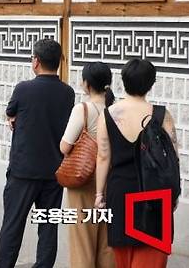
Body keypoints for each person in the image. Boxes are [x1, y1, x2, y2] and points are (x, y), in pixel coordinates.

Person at [0, 39, 75, 268]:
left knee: (13, 225)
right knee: (49, 226)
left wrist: (16, 120)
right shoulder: (67, 93)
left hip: (23, 170)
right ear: (59, 62)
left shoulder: (23, 88)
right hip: (54, 171)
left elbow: (11, 113)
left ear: (36, 61)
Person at [95, 59, 179, 268]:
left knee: (123, 260)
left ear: (123, 81)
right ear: (151, 83)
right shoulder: (162, 115)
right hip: (156, 196)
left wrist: (99, 195)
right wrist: (174, 195)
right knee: (152, 259)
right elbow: (173, 160)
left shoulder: (109, 115)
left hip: (120, 194)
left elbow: (103, 157)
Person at [59, 62, 115, 268]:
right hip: (110, 179)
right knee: (107, 243)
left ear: (87, 84)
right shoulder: (115, 110)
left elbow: (65, 147)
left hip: (83, 181)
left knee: (82, 240)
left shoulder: (83, 109)